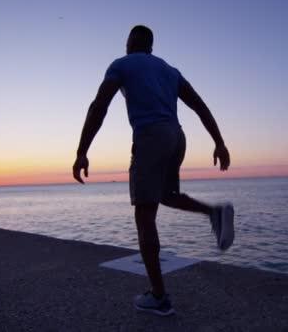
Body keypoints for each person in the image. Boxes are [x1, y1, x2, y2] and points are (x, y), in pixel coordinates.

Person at [73, 25, 234, 317]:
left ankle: (158, 296)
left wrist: (82, 151)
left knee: (145, 216)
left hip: (150, 137)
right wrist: (219, 142)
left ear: (130, 43)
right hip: (176, 136)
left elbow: (99, 105)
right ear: (150, 46)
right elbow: (199, 105)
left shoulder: (121, 64)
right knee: (167, 195)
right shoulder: (170, 70)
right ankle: (215, 213)